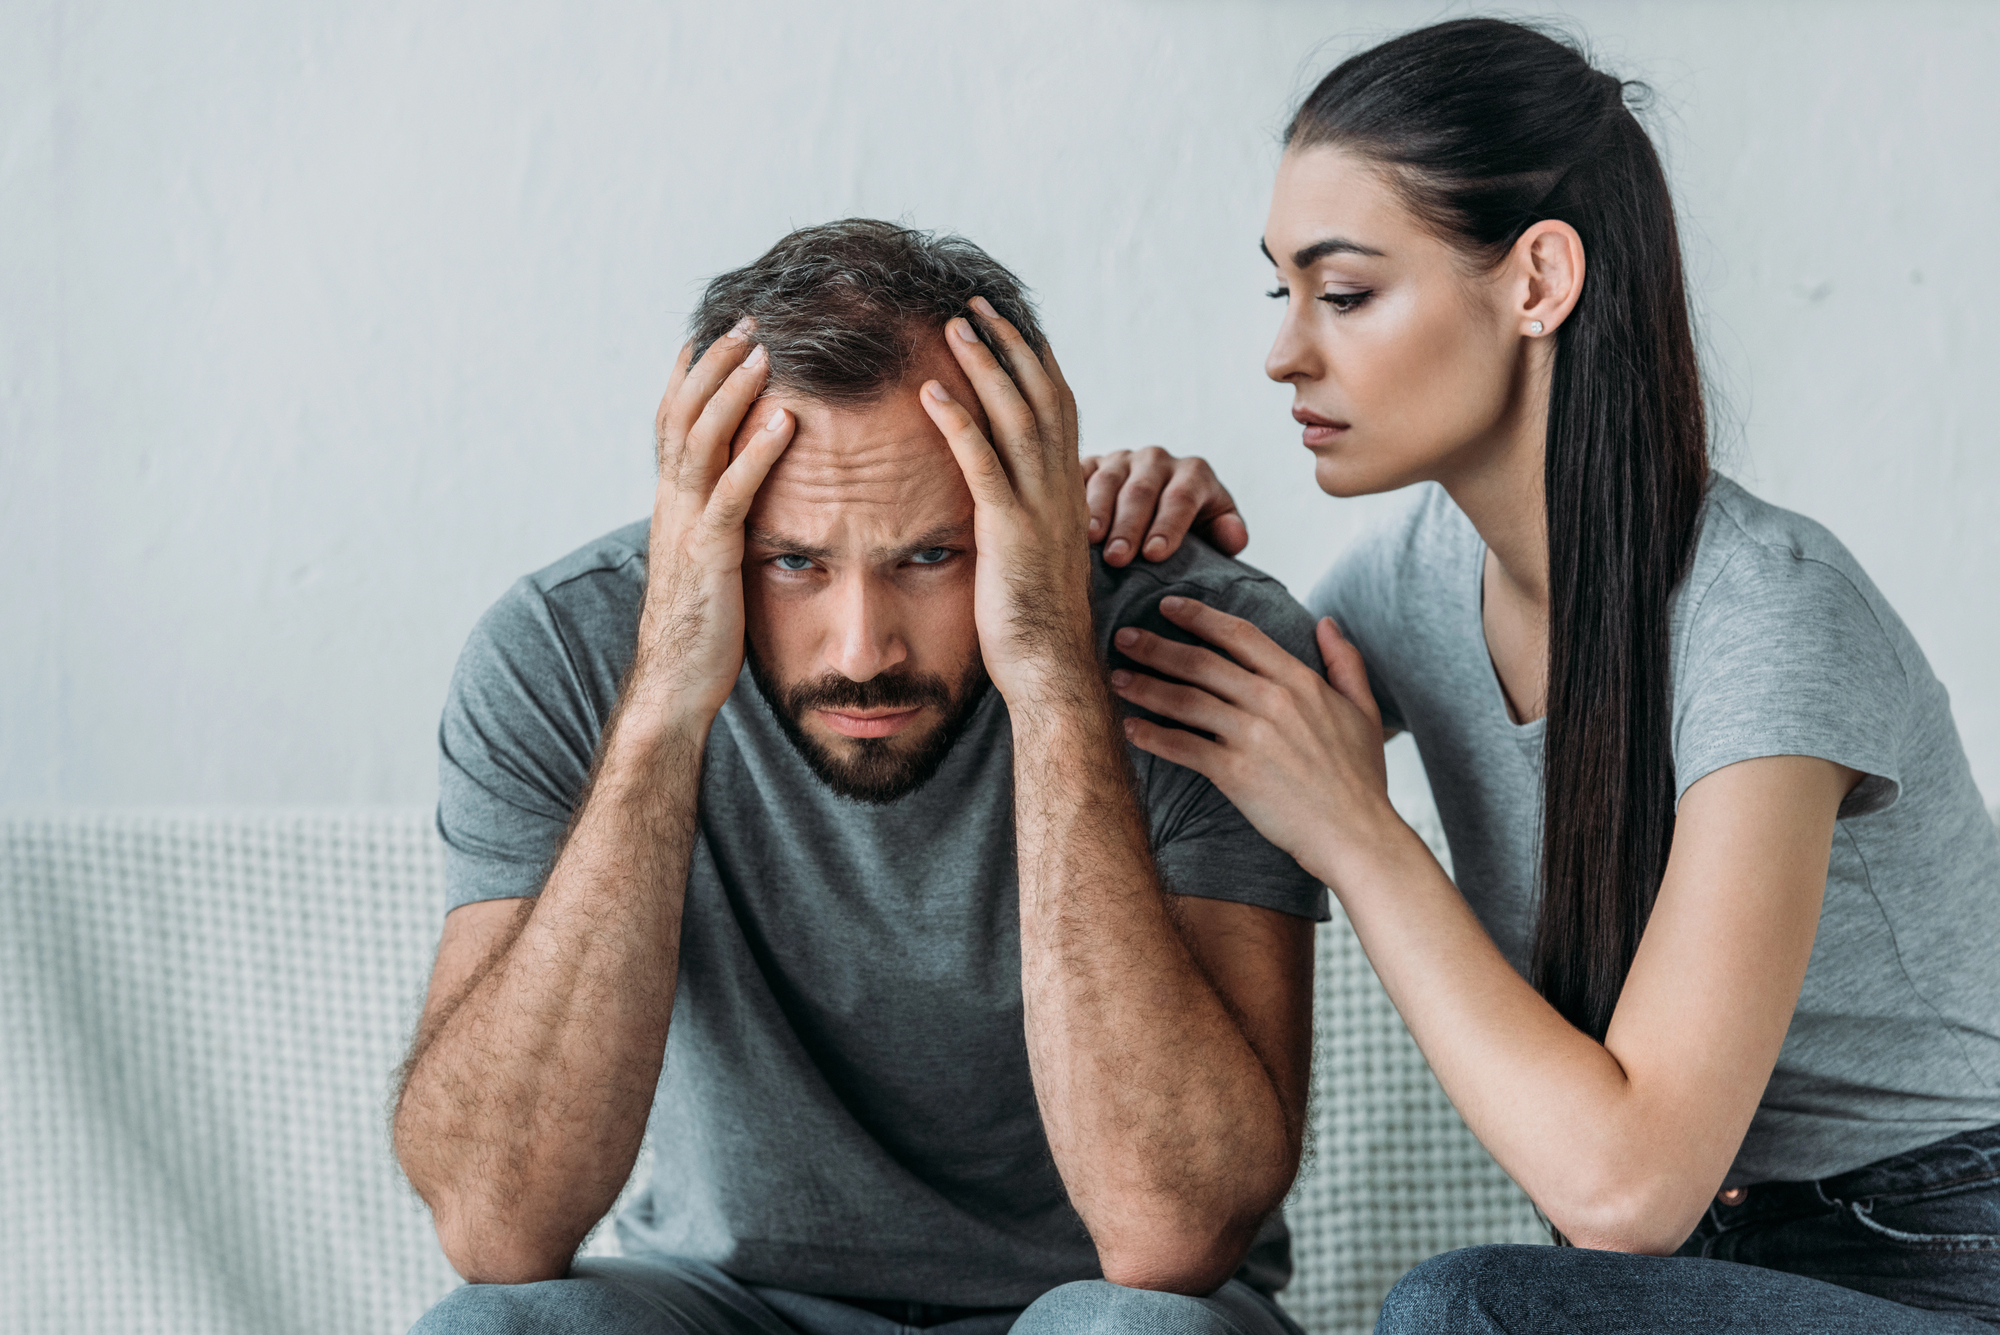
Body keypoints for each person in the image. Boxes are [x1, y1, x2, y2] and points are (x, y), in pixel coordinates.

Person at [1084, 18, 2000, 1334]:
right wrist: (1126, 542)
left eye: (1343, 294)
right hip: (1701, 1277)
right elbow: (1197, 713)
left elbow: (1625, 1193)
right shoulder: (1413, 577)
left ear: (1537, 281)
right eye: (1279, 293)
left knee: (1463, 1307)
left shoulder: (1770, 616)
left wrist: (1360, 831)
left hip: (1943, 1248)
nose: (1285, 353)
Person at [391, 219, 1328, 1335]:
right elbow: (498, 1227)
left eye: (931, 555)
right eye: (791, 561)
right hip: (720, 1302)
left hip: (1087, 1306)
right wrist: (661, 704)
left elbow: (1171, 1235)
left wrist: (1052, 678)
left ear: (1029, 501)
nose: (859, 649)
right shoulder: (561, 647)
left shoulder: (1192, 641)